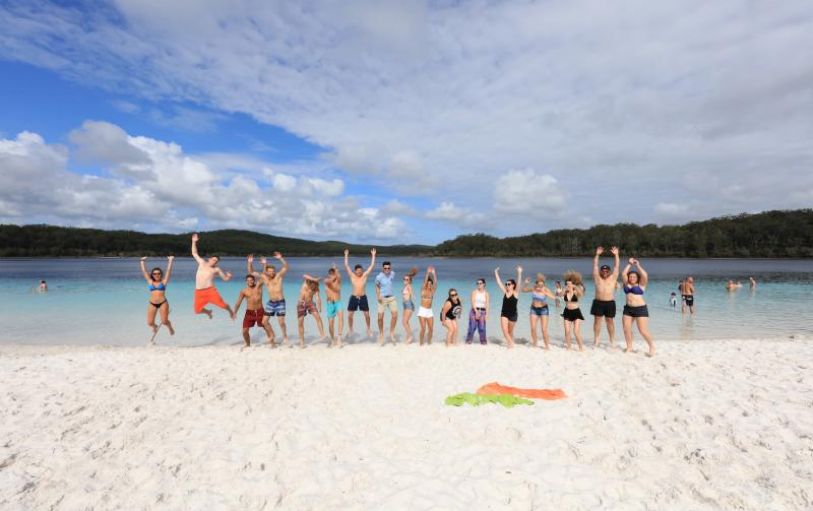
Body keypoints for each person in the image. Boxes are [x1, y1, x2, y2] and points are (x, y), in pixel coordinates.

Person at [247, 253, 290, 346]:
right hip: (271, 303)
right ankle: (272, 336)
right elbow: (251, 272)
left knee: (281, 322)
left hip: (280, 302)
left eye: (273, 271)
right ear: (266, 271)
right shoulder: (264, 278)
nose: (271, 272)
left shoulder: (278, 276)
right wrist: (250, 262)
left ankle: (285, 336)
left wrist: (281, 258)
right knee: (264, 322)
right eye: (269, 271)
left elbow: (286, 267)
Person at [191, 234, 234, 320]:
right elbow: (194, 253)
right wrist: (193, 242)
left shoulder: (216, 269)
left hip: (210, 291)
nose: (214, 262)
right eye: (214, 260)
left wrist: (229, 276)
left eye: (216, 261)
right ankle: (208, 312)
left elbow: (225, 279)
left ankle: (230, 311)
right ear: (210, 259)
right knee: (197, 311)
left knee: (222, 305)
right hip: (199, 292)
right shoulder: (202, 263)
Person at [621, 258, 655, 356]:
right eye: (630, 276)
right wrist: (629, 264)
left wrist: (637, 265)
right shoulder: (626, 284)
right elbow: (623, 274)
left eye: (634, 277)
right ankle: (629, 347)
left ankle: (652, 346)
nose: (632, 278)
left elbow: (645, 275)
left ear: (637, 278)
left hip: (641, 309)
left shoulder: (641, 285)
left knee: (643, 330)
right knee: (626, 329)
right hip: (628, 309)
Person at [140, 256, 175, 342]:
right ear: (152, 275)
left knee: (164, 321)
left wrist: (170, 261)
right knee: (150, 323)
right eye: (154, 274)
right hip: (152, 303)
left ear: (161, 274)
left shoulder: (164, 282)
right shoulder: (150, 281)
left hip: (163, 302)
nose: (156, 275)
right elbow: (144, 271)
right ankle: (155, 327)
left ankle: (170, 327)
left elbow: (168, 271)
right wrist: (142, 261)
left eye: (158, 273)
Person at [234, 274, 275, 348]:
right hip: (249, 313)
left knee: (266, 327)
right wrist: (234, 312)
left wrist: (264, 265)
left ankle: (272, 343)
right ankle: (247, 344)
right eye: (248, 280)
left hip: (260, 311)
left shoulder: (258, 286)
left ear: (254, 280)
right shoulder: (244, 291)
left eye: (251, 280)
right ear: (246, 282)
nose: (250, 281)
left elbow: (264, 277)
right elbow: (238, 302)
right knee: (245, 331)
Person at [590, 246, 620, 348]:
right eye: (603, 270)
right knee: (597, 321)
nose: (605, 272)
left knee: (610, 321)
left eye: (607, 271)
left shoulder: (613, 278)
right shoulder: (597, 277)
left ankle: (612, 340)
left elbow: (616, 267)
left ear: (609, 272)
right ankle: (596, 340)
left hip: (610, 302)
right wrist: (597, 254)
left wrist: (616, 255)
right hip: (598, 302)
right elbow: (595, 265)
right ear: (601, 271)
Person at [344, 248, 376, 337]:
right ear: (355, 271)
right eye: (357, 270)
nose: (359, 272)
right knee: (350, 315)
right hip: (353, 297)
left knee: (367, 315)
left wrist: (373, 255)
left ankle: (368, 329)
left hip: (363, 297)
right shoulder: (352, 276)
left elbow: (372, 266)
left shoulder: (364, 276)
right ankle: (351, 330)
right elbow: (346, 266)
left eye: (360, 270)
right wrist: (346, 255)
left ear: (362, 270)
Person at [522, 273, 556, 349]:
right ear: (536, 284)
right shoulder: (533, 288)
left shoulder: (545, 289)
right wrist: (526, 283)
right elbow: (523, 290)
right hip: (533, 309)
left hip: (543, 310)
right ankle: (535, 343)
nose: (541, 286)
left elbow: (554, 298)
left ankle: (547, 346)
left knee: (544, 330)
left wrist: (545, 292)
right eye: (539, 285)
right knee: (533, 328)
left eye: (542, 285)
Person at [495, 265, 522, 349]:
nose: (507, 285)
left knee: (510, 331)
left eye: (509, 284)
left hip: (513, 315)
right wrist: (496, 272)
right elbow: (499, 282)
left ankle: (510, 342)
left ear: (513, 285)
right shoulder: (505, 292)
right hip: (504, 314)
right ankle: (511, 344)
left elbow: (519, 281)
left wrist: (519, 272)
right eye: (506, 284)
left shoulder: (516, 293)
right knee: (504, 330)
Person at [296, 274, 326, 348]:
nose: (313, 286)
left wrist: (319, 306)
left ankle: (323, 336)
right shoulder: (306, 283)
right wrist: (315, 279)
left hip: (310, 303)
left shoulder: (316, 289)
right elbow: (304, 275)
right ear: (310, 282)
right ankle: (302, 341)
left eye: (315, 284)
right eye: (313, 283)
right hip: (301, 303)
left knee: (318, 317)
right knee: (300, 321)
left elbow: (318, 298)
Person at [375, 259, 398, 345]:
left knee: (395, 316)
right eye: (385, 268)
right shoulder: (379, 277)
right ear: (382, 268)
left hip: (392, 298)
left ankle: (391, 333)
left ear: (390, 268)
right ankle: (381, 333)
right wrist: (378, 296)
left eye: (388, 268)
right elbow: (377, 286)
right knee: (380, 318)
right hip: (382, 299)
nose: (387, 270)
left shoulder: (392, 274)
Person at [561, 271, 585, 351]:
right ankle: (569, 347)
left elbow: (581, 294)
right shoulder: (565, 291)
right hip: (567, 312)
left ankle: (581, 348)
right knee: (567, 332)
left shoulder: (576, 290)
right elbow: (560, 295)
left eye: (569, 283)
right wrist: (565, 288)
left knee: (576, 332)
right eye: (567, 283)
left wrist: (574, 286)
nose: (568, 285)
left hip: (576, 312)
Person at [324, 264, 344, 347]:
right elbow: (329, 282)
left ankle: (339, 338)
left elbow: (338, 276)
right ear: (329, 274)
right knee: (331, 323)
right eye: (331, 273)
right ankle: (332, 339)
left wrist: (336, 269)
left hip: (338, 302)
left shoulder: (338, 281)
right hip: (330, 304)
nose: (332, 274)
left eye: (333, 273)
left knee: (341, 318)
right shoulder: (326, 281)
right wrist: (334, 274)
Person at [465, 278, 490, 345]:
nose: (479, 284)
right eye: (477, 283)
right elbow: (472, 302)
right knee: (472, 327)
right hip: (474, 311)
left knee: (482, 328)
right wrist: (476, 311)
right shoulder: (474, 292)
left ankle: (483, 342)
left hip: (483, 311)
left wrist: (487, 314)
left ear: (484, 284)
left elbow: (487, 304)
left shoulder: (486, 293)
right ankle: (468, 341)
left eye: (480, 283)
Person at [417, 266, 438, 345]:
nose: (429, 285)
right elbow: (425, 281)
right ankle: (421, 343)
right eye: (428, 284)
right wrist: (428, 273)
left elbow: (435, 283)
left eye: (430, 284)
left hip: (429, 311)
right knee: (423, 328)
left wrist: (434, 274)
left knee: (431, 329)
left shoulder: (432, 291)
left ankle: (429, 342)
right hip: (422, 310)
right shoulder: (423, 290)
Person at [401, 268, 419, 344]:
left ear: (410, 281)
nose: (405, 280)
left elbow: (411, 291)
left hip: (408, 304)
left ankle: (410, 335)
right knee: (405, 321)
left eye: (407, 279)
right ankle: (409, 335)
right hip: (405, 304)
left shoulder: (408, 286)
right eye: (404, 279)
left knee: (404, 322)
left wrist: (413, 295)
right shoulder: (406, 286)